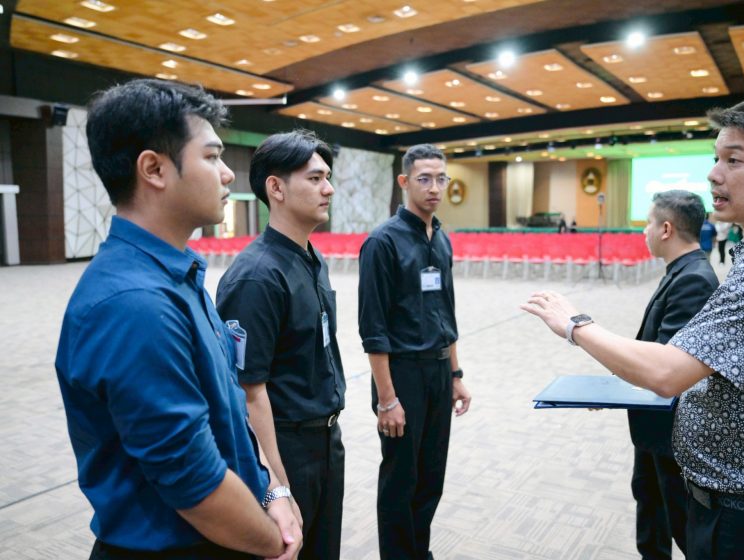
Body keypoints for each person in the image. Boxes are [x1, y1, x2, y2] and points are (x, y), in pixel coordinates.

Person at [522, 96, 744, 560]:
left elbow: (669, 372)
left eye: (733, 160)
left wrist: (575, 325)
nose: (714, 174)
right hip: (739, 506)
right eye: (716, 158)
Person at [55, 79, 301, 560]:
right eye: (211, 157)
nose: (227, 174)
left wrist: (273, 490)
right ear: (154, 169)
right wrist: (276, 543)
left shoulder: (177, 274)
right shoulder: (134, 303)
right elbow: (194, 482)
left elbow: (230, 411)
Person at [216, 130, 346, 560]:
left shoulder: (311, 258)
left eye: (327, 177)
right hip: (286, 449)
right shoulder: (256, 277)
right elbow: (247, 390)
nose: (328, 188)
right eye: (315, 178)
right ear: (276, 187)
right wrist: (278, 485)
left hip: (326, 440)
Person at [358, 144, 472, 560]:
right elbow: (373, 329)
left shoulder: (440, 238)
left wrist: (455, 375)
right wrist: (387, 399)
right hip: (401, 374)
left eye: (441, 178)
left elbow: (447, 312)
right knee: (400, 480)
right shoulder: (382, 242)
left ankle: (417, 553)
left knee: (430, 477)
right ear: (404, 181)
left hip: (438, 374)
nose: (434, 187)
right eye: (424, 179)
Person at [629, 190, 719, 559]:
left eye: (648, 223)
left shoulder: (694, 279)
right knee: (652, 514)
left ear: (666, 229)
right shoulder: (681, 271)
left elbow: (668, 365)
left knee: (680, 525)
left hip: (673, 433)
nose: (644, 231)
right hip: (655, 427)